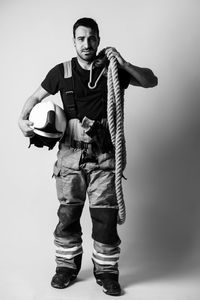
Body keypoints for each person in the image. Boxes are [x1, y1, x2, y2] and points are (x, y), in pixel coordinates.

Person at [18, 17, 158, 296]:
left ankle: (106, 272)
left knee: (105, 218)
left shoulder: (112, 69)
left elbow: (150, 80)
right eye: (81, 39)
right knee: (68, 215)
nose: (86, 44)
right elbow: (34, 98)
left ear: (98, 39)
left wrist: (123, 62)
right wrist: (22, 119)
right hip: (70, 157)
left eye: (91, 38)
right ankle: (66, 268)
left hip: (103, 157)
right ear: (73, 41)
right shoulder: (62, 72)